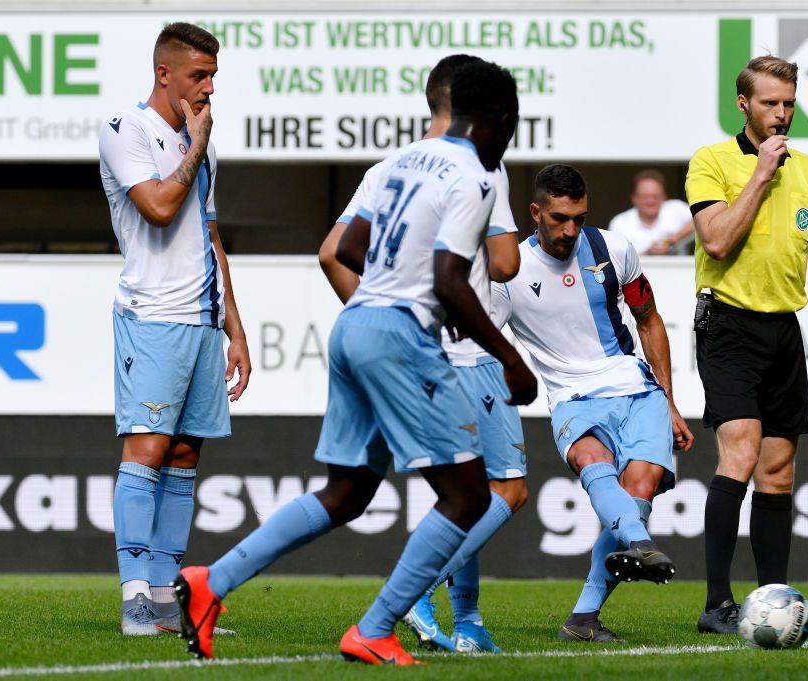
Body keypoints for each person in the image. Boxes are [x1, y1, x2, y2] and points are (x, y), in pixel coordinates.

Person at [173, 60, 537, 666]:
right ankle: (375, 627)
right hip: (400, 337)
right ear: (497, 120)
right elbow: (452, 278)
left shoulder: (401, 162)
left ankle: (213, 582)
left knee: (347, 492)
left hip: (355, 324)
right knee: (469, 494)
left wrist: (399, 283)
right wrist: (511, 360)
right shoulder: (478, 174)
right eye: (511, 127)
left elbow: (348, 247)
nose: (509, 140)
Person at [319, 54, 528, 655]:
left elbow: (334, 252)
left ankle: (466, 621)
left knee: (457, 493)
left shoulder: (393, 165)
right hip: (467, 349)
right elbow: (507, 263)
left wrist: (379, 312)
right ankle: (411, 596)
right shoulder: (478, 168)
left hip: (410, 346)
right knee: (503, 491)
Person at [685, 55, 808, 636]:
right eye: (770, 103)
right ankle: (716, 605)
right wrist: (761, 174)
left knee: (780, 469)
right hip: (727, 324)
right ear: (744, 104)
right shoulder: (710, 162)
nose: (782, 113)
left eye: (788, 103)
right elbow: (715, 242)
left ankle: (778, 606)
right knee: (740, 451)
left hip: (782, 330)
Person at [491, 164, 694, 643]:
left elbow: (649, 320)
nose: (570, 230)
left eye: (579, 218)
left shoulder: (614, 248)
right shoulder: (509, 273)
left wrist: (669, 402)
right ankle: (640, 543)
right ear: (535, 212)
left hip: (633, 386)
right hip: (570, 396)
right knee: (593, 463)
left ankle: (582, 619)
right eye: (560, 218)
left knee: (638, 488)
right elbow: (483, 340)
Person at [98, 22, 251, 637]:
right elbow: (158, 207)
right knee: (149, 450)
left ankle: (167, 600)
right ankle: (136, 598)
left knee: (185, 456)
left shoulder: (201, 141)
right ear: (164, 73)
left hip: (202, 320)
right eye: (198, 75)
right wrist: (195, 143)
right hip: (152, 316)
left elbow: (208, 234)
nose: (208, 87)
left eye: (213, 75)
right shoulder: (124, 129)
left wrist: (234, 323)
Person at [607, 170, 694, 255]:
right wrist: (649, 253)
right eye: (645, 196)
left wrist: (672, 240)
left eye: (655, 196)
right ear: (634, 198)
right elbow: (617, 261)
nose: (650, 201)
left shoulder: (676, 208)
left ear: (664, 197)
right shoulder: (620, 223)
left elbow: (701, 219)